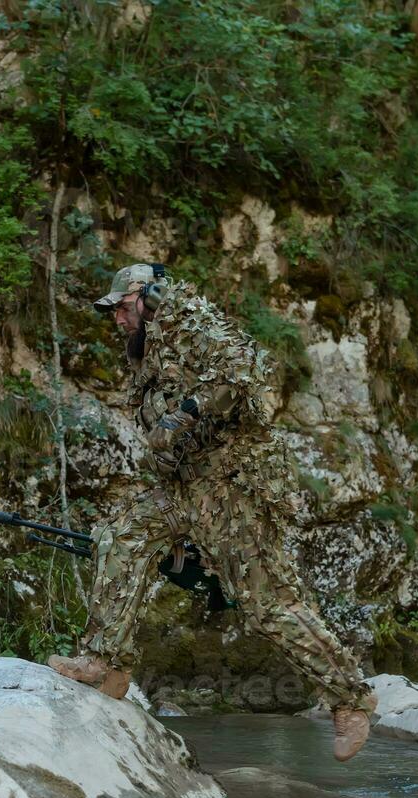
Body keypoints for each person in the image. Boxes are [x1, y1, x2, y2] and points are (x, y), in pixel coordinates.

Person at [48, 263, 375, 761]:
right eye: (112, 312)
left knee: (270, 605)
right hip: (183, 487)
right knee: (121, 535)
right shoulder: (145, 350)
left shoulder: (186, 319)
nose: (116, 320)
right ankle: (104, 662)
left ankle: (351, 699)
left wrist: (181, 415)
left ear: (147, 297)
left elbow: (245, 370)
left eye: (121, 308)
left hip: (233, 488)